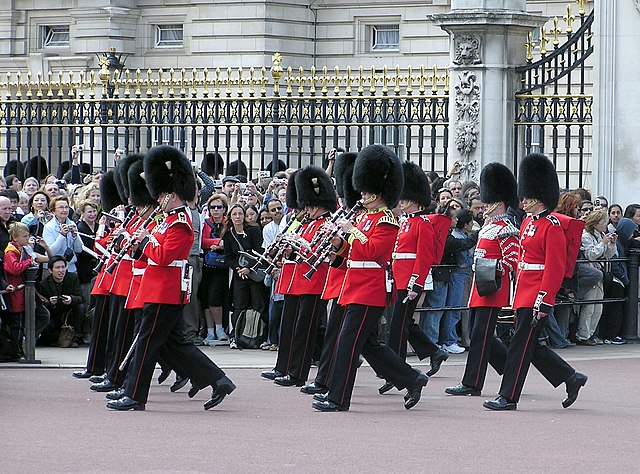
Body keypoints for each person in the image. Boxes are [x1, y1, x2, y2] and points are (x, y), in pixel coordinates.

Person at [107, 145, 235, 411]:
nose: (158, 197)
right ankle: (219, 380)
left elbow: (164, 256)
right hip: (158, 287)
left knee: (146, 343)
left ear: (172, 194)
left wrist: (143, 243)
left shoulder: (180, 222)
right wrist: (135, 246)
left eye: (162, 193)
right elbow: (151, 254)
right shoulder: (168, 219)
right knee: (175, 343)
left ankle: (135, 395)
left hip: (166, 289)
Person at [312, 144, 428, 412]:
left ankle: (338, 398)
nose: (361, 193)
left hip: (369, 289)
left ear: (379, 190)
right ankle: (412, 378)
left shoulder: (386, 220)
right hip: (353, 285)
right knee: (369, 345)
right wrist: (337, 244)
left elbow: (373, 252)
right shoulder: (365, 217)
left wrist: (350, 231)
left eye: (366, 189)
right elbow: (352, 252)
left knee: (347, 343)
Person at [483, 153, 588, 411]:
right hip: (523, 291)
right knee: (530, 345)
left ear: (538, 196)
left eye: (527, 196)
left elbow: (554, 267)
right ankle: (571, 377)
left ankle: (507, 396)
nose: (523, 200)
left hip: (537, 295)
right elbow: (521, 259)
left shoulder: (551, 226)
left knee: (520, 345)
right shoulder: (529, 221)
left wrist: (544, 300)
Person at [446, 163, 519, 397]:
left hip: (493, 288)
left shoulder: (506, 229)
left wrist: (491, 268)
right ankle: (511, 370)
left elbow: (511, 261)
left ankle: (472, 382)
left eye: (488, 203)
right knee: (482, 335)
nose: (484, 206)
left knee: (479, 336)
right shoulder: (488, 228)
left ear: (499, 203)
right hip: (480, 287)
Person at [378, 161, 449, 396]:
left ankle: (395, 371)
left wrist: (416, 284)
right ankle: (434, 352)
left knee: (398, 327)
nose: (401, 202)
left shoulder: (423, 224)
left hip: (409, 281)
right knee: (403, 324)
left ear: (414, 200)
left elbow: (424, 257)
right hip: (397, 279)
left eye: (405, 198)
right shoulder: (405, 222)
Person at [272, 165, 337, 387]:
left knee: (304, 330)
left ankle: (297, 373)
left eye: (309, 204)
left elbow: (319, 253)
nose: (305, 208)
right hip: (297, 280)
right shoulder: (305, 223)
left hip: (313, 282)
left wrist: (298, 247)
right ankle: (285, 367)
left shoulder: (327, 223)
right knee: (290, 326)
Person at [222, 203, 267, 349]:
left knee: (258, 304)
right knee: (239, 306)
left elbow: (260, 252)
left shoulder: (254, 231)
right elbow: (228, 257)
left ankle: (259, 336)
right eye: (234, 214)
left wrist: (249, 268)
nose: (237, 217)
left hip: (254, 273)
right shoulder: (228, 234)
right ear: (230, 217)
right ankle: (236, 336)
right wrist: (238, 268)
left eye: (240, 214)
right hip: (239, 275)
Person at [2, 223, 51, 354]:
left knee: (43, 315)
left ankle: (26, 342)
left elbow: (34, 258)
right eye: (25, 236)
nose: (27, 238)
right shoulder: (11, 252)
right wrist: (29, 262)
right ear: (15, 237)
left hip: (24, 292)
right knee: (17, 325)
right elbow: (14, 268)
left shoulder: (22, 249)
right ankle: (17, 350)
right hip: (16, 293)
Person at [576, 209, 617, 345]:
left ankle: (591, 333)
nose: (605, 224)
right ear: (595, 224)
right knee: (589, 306)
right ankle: (583, 335)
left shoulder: (601, 235)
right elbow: (590, 255)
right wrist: (603, 243)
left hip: (599, 273)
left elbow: (608, 255)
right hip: (591, 273)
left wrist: (612, 243)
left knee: (598, 307)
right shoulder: (586, 236)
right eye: (603, 222)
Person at [200, 193, 229, 346]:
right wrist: (217, 242)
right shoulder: (206, 223)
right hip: (207, 265)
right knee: (205, 299)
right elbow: (202, 241)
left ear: (224, 209)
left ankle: (220, 328)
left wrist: (221, 245)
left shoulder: (227, 223)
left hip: (222, 266)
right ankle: (210, 331)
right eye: (213, 207)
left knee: (215, 298)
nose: (216, 210)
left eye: (219, 207)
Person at [37, 255, 84, 347]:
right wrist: (51, 303)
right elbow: (43, 304)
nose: (61, 271)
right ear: (50, 270)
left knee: (80, 307)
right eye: (57, 268)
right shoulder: (44, 284)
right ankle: (54, 339)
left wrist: (71, 299)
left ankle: (76, 338)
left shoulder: (73, 278)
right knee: (46, 315)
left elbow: (80, 297)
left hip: (69, 311)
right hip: (55, 314)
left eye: (63, 267)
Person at [42, 196, 83, 274]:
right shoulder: (48, 227)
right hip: (53, 269)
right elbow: (51, 252)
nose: (64, 210)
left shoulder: (72, 224)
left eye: (66, 207)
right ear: (53, 211)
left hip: (70, 267)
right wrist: (62, 235)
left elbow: (79, 249)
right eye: (61, 207)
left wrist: (75, 236)